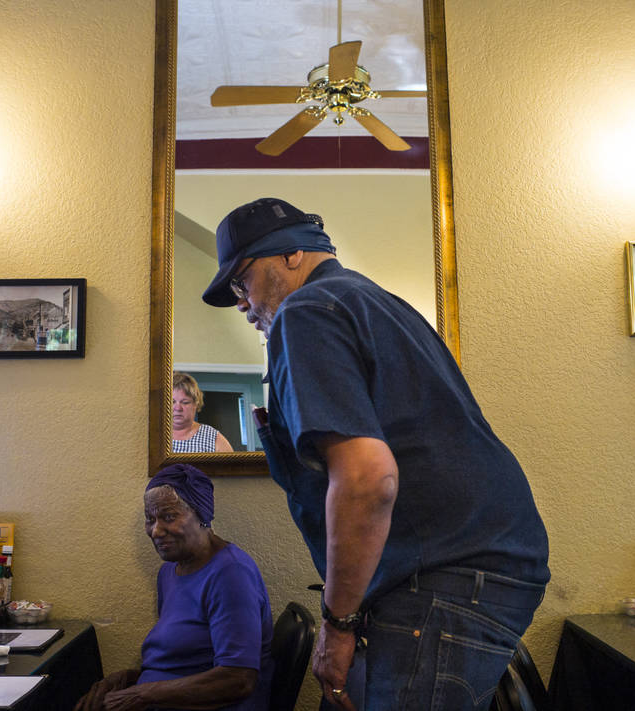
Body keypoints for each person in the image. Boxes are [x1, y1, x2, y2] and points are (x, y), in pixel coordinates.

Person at [201, 197, 550, 710]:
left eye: (241, 281)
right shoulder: (376, 301)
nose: (241, 303)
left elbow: (368, 479)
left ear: (292, 255)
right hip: (479, 568)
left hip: (444, 577)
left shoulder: (306, 311)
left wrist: (338, 624)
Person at [74, 464, 273, 711]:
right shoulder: (169, 571)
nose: (156, 531)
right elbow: (181, 663)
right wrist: (126, 679)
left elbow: (238, 679)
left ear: (202, 515)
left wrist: (141, 695)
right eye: (150, 519)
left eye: (169, 517)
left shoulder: (231, 574)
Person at [172, 371, 233, 453]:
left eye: (185, 402)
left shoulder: (213, 437)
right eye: (172, 402)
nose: (178, 408)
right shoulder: (152, 434)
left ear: (196, 404)